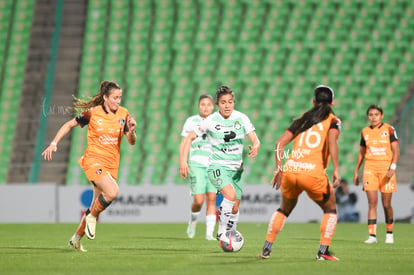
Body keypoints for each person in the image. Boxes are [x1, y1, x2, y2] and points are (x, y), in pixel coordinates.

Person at [41, 81, 137, 252]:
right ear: (105, 98)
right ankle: (91, 216)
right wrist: (54, 143)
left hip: (111, 165)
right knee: (113, 192)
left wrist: (132, 130)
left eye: (120, 97)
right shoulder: (92, 113)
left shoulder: (124, 114)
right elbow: (69, 124)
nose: (118, 101)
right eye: (115, 97)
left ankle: (76, 239)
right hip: (93, 160)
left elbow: (131, 142)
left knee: (96, 204)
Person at [259, 85, 341, 261]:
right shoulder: (333, 121)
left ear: (313, 102)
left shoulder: (303, 119)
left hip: (291, 170)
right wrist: (336, 170)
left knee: (283, 209)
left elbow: (279, 144)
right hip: (312, 173)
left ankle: (266, 249)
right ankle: (323, 252)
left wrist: (279, 169)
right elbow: (333, 143)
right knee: (330, 209)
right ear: (333, 102)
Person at [179, 85, 260, 246]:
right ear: (218, 105)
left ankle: (230, 237)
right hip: (217, 166)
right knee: (229, 196)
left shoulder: (241, 118)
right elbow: (188, 138)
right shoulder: (210, 121)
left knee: (235, 207)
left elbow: (255, 139)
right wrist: (183, 161)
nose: (227, 105)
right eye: (223, 102)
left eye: (230, 102)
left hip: (237, 169)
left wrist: (255, 146)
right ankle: (222, 232)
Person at [353, 104, 399, 244]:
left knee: (386, 204)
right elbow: (361, 153)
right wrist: (356, 171)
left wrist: (393, 167)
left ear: (381, 116)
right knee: (372, 203)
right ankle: (372, 236)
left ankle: (389, 233)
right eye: (371, 115)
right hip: (370, 170)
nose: (373, 117)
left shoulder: (389, 129)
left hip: (386, 170)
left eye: (376, 115)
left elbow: (396, 151)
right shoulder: (364, 132)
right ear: (368, 116)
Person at [179, 94, 216, 240]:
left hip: (213, 164)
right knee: (199, 200)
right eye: (203, 104)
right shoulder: (191, 121)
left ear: (213, 107)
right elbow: (184, 142)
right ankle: (193, 221)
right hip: (196, 163)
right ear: (198, 106)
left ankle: (209, 234)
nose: (206, 107)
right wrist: (183, 161)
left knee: (212, 198)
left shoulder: (216, 121)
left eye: (208, 104)